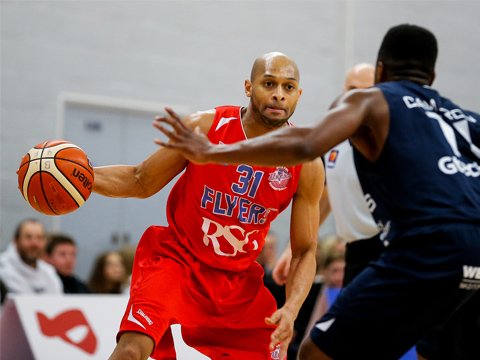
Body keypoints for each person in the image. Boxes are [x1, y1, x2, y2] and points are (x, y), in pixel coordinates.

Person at [155, 24, 480, 360]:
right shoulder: (465, 119)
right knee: (437, 351)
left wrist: (212, 153)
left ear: (381, 71)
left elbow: (305, 143)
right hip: (473, 251)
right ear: (433, 75)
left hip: (423, 243)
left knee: (315, 353)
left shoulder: (372, 101)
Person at [93, 52, 324, 360]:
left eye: (288, 87)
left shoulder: (305, 161)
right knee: (132, 349)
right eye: (269, 83)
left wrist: (292, 308)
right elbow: (139, 180)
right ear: (248, 87)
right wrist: (84, 178)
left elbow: (305, 250)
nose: (278, 94)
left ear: (298, 94)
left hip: (237, 283)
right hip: (178, 262)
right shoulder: (205, 126)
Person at [0, 219, 63, 294]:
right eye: (28, 237)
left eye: (39, 238)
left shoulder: (49, 272)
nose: (34, 243)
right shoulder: (2, 269)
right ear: (16, 241)